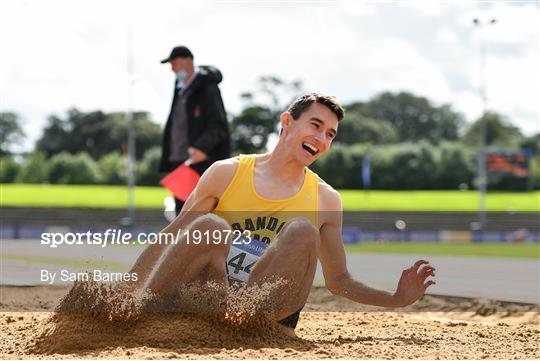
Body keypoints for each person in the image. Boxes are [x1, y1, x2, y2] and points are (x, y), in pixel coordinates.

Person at [132, 93, 436, 334]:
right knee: (209, 226)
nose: (321, 139)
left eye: (330, 134)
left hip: (268, 316)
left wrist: (396, 299)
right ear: (287, 121)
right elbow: (171, 241)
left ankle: (244, 328)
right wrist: (128, 295)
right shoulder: (225, 173)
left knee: (303, 231)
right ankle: (135, 318)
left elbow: (338, 280)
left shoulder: (326, 199)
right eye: (315, 125)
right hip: (210, 296)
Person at [159, 45, 230, 214]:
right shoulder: (180, 88)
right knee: (182, 213)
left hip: (201, 162)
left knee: (203, 213)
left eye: (175, 64)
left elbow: (218, 124)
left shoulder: (207, 88)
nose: (173, 69)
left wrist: (202, 147)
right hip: (181, 161)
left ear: (188, 61)